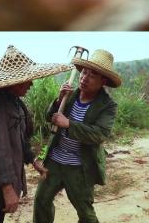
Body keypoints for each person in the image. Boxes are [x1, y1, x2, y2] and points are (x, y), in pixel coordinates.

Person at [0, 45, 70, 223]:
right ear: (14, 82)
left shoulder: (14, 102)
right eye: (27, 80)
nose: (31, 84)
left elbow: (19, 137)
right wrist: (7, 188)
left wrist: (33, 159)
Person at [33, 49, 121, 223]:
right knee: (41, 201)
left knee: (85, 214)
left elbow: (99, 134)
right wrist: (59, 100)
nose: (84, 78)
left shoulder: (107, 105)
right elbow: (50, 117)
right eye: (84, 72)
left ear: (103, 80)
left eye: (92, 75)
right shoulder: (71, 95)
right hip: (55, 162)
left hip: (80, 167)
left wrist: (69, 124)